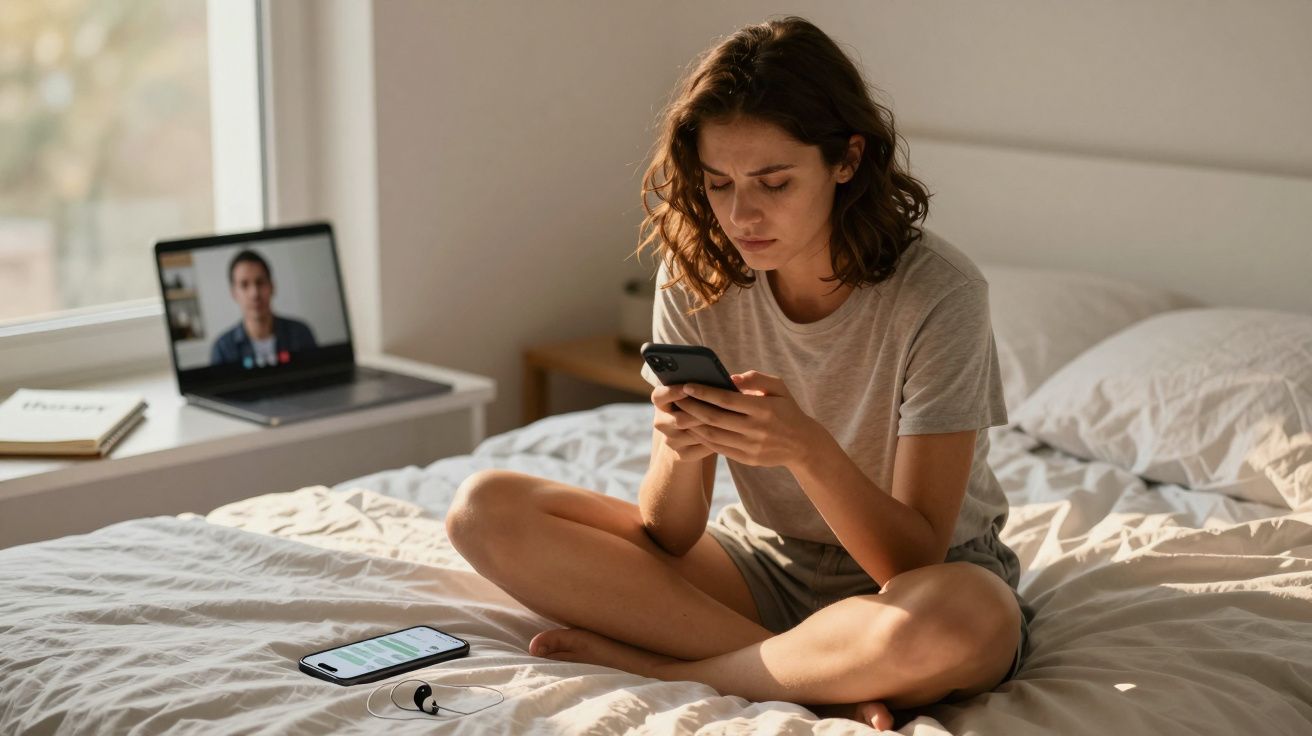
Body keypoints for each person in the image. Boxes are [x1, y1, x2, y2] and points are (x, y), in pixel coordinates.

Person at [445, 15, 1033, 730]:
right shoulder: (694, 279)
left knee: (966, 624)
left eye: (773, 182)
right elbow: (669, 534)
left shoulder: (940, 294)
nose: (740, 214)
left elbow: (908, 561)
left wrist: (806, 449)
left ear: (847, 160)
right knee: (486, 510)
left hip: (918, 587)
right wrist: (681, 445)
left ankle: (678, 667)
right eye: (718, 183)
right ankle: (810, 672)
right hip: (764, 571)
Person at [210, 249, 317, 367]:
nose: (254, 294)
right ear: (234, 294)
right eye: (244, 285)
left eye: (260, 282)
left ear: (272, 287)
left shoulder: (300, 333)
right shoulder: (223, 348)